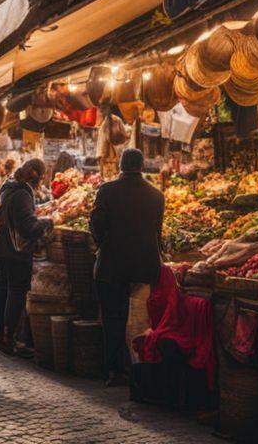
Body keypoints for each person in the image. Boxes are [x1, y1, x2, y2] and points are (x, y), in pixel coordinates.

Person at [89, 147, 165, 386]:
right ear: (141, 167)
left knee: (113, 318)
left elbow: (96, 223)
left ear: (120, 166)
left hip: (112, 265)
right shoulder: (156, 195)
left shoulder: (106, 191)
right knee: (144, 320)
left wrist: (104, 245)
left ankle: (113, 370)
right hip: (145, 267)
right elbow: (157, 232)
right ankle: (141, 366)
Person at [0, 158, 53, 357]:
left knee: (3, 289)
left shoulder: (8, 186)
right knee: (16, 292)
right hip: (16, 251)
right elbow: (29, 228)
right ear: (35, 174)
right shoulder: (22, 194)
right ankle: (10, 339)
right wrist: (47, 221)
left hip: (2, 248)